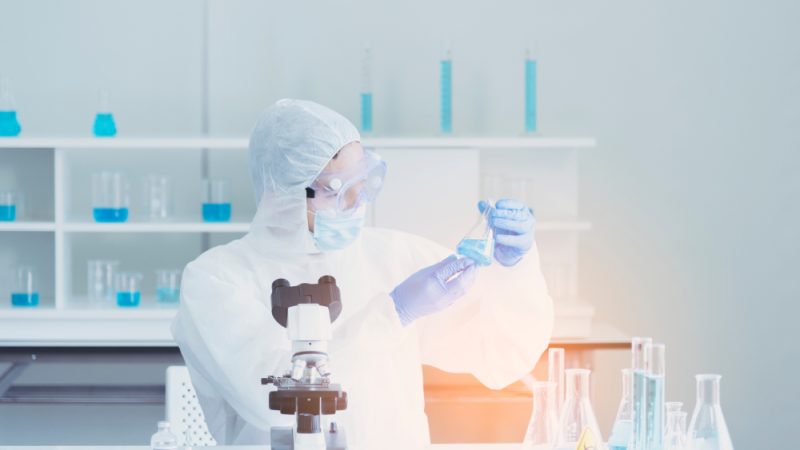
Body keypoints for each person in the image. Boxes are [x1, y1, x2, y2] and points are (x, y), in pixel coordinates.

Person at [171, 99, 553, 448]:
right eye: (339, 188)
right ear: (286, 193)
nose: (358, 202)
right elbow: (277, 404)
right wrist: (395, 313)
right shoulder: (216, 280)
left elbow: (503, 355)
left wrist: (514, 271)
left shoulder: (392, 255)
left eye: (363, 181)